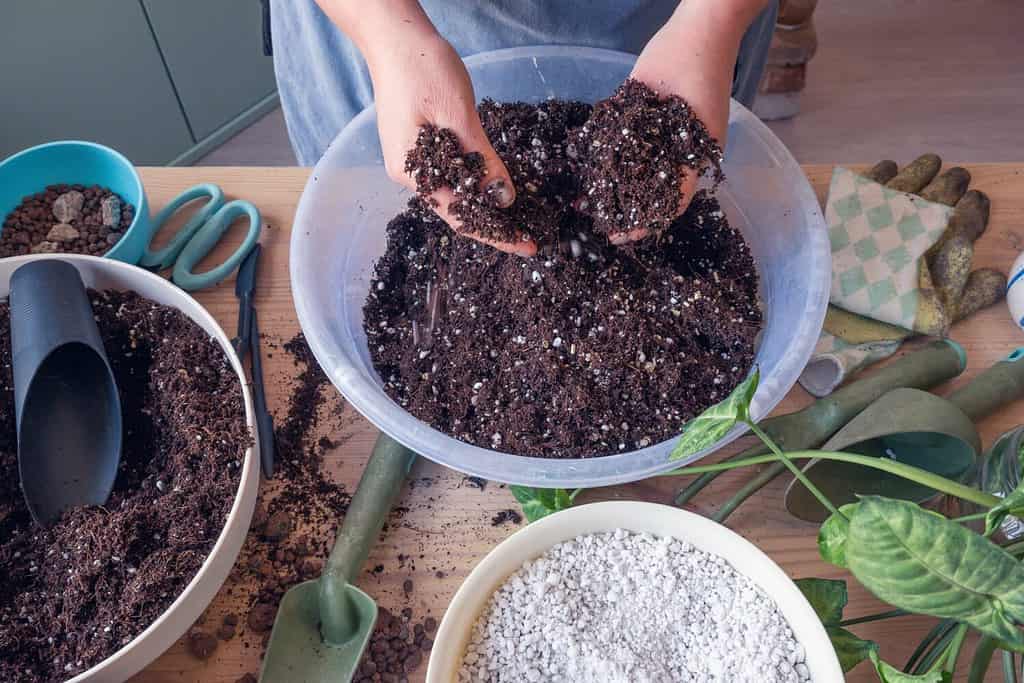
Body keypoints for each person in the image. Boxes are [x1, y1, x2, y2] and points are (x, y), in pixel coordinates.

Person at [271, 0, 776, 255]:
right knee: (372, 226)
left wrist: (713, 23)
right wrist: (385, 36)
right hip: (376, 21)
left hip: (673, 21)